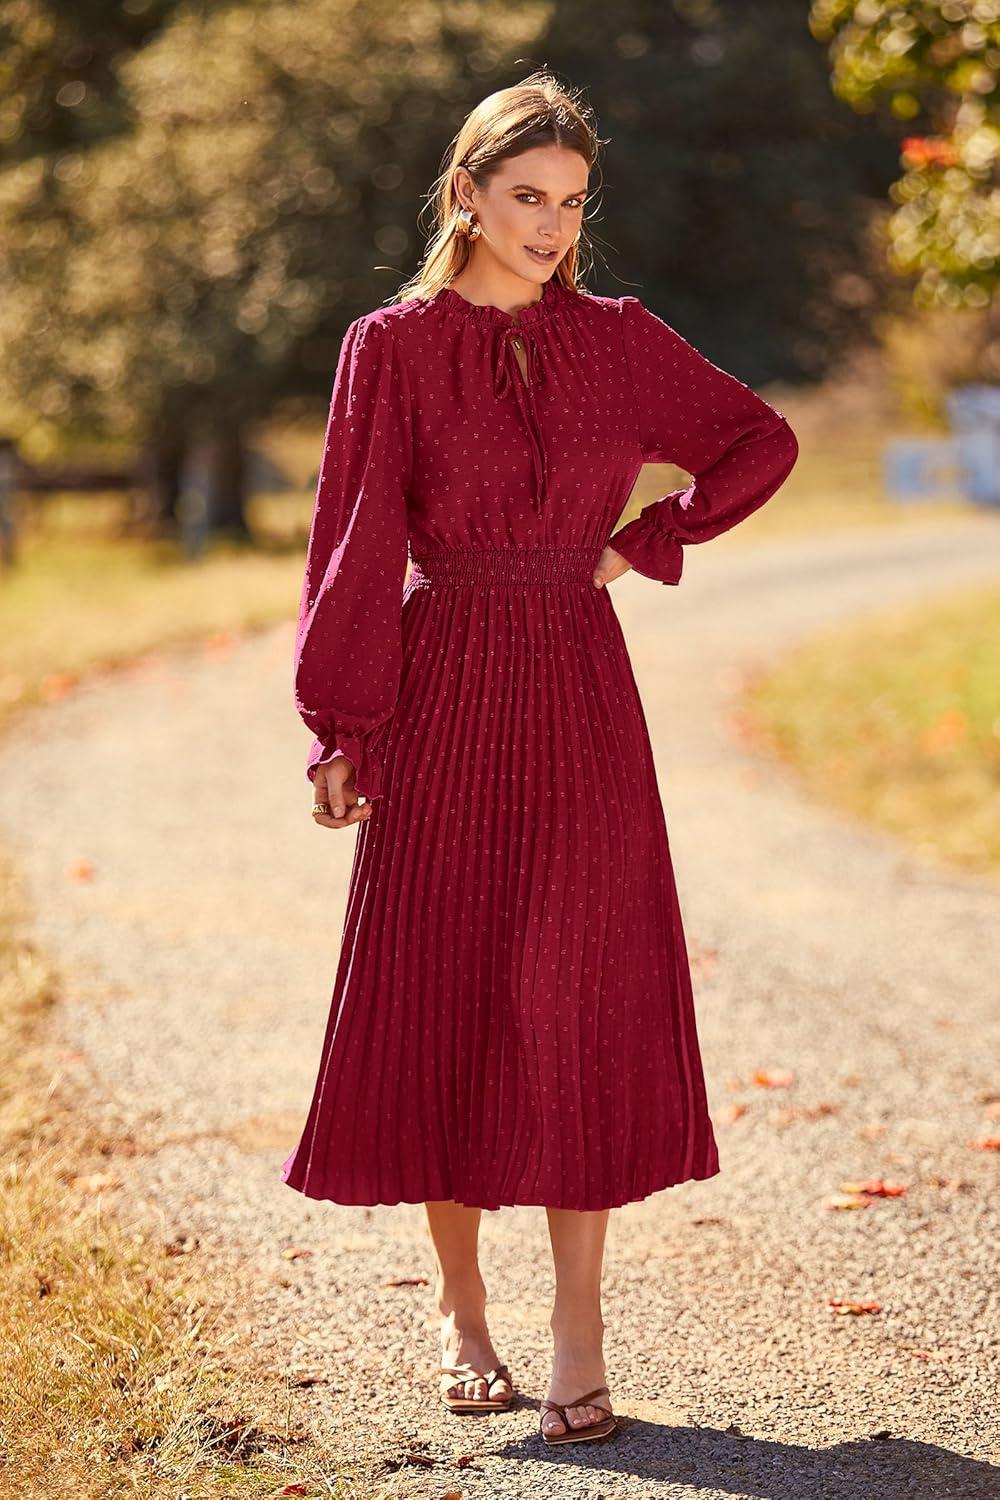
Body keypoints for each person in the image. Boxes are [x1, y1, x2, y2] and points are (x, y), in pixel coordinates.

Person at [281, 70, 799, 1447]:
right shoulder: (390, 347)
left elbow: (760, 441)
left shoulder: (619, 341)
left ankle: (580, 1329)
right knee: (446, 991)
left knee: (579, 998)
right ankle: (462, 1312)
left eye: (572, 201)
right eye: (527, 196)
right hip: (442, 685)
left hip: (578, 685)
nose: (552, 225)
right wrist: (342, 725)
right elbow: (353, 545)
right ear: (466, 193)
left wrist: (643, 543)